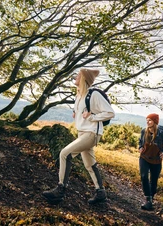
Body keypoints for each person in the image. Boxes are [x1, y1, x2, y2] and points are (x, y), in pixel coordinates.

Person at [42, 68, 115, 204]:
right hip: (83, 132)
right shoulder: (79, 96)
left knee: (65, 154)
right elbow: (82, 113)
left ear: (84, 78)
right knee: (89, 164)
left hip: (91, 133)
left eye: (79, 75)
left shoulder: (94, 94)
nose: (76, 77)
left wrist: (92, 116)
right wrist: (77, 115)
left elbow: (110, 113)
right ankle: (100, 193)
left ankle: (60, 190)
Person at [138, 113, 163, 211]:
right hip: (144, 157)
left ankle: (151, 199)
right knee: (144, 176)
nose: (147, 122)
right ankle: (147, 199)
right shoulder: (143, 131)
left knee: (153, 180)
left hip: (156, 160)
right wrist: (140, 147)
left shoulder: (162, 134)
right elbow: (140, 141)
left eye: (150, 120)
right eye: (147, 120)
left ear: (155, 122)